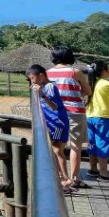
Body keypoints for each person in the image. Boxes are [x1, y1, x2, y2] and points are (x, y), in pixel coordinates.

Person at [46, 46, 93, 188]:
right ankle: (75, 179)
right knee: (75, 146)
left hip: (56, 113)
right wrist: (76, 94)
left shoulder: (47, 73)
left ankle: (61, 177)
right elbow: (88, 91)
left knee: (58, 146)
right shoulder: (75, 72)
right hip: (75, 112)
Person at [27, 64, 73, 193]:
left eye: (33, 78)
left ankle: (65, 179)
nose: (32, 81)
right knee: (54, 150)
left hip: (57, 123)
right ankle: (62, 179)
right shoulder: (42, 87)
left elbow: (54, 106)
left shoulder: (50, 87)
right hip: (51, 123)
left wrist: (42, 95)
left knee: (57, 150)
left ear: (41, 75)